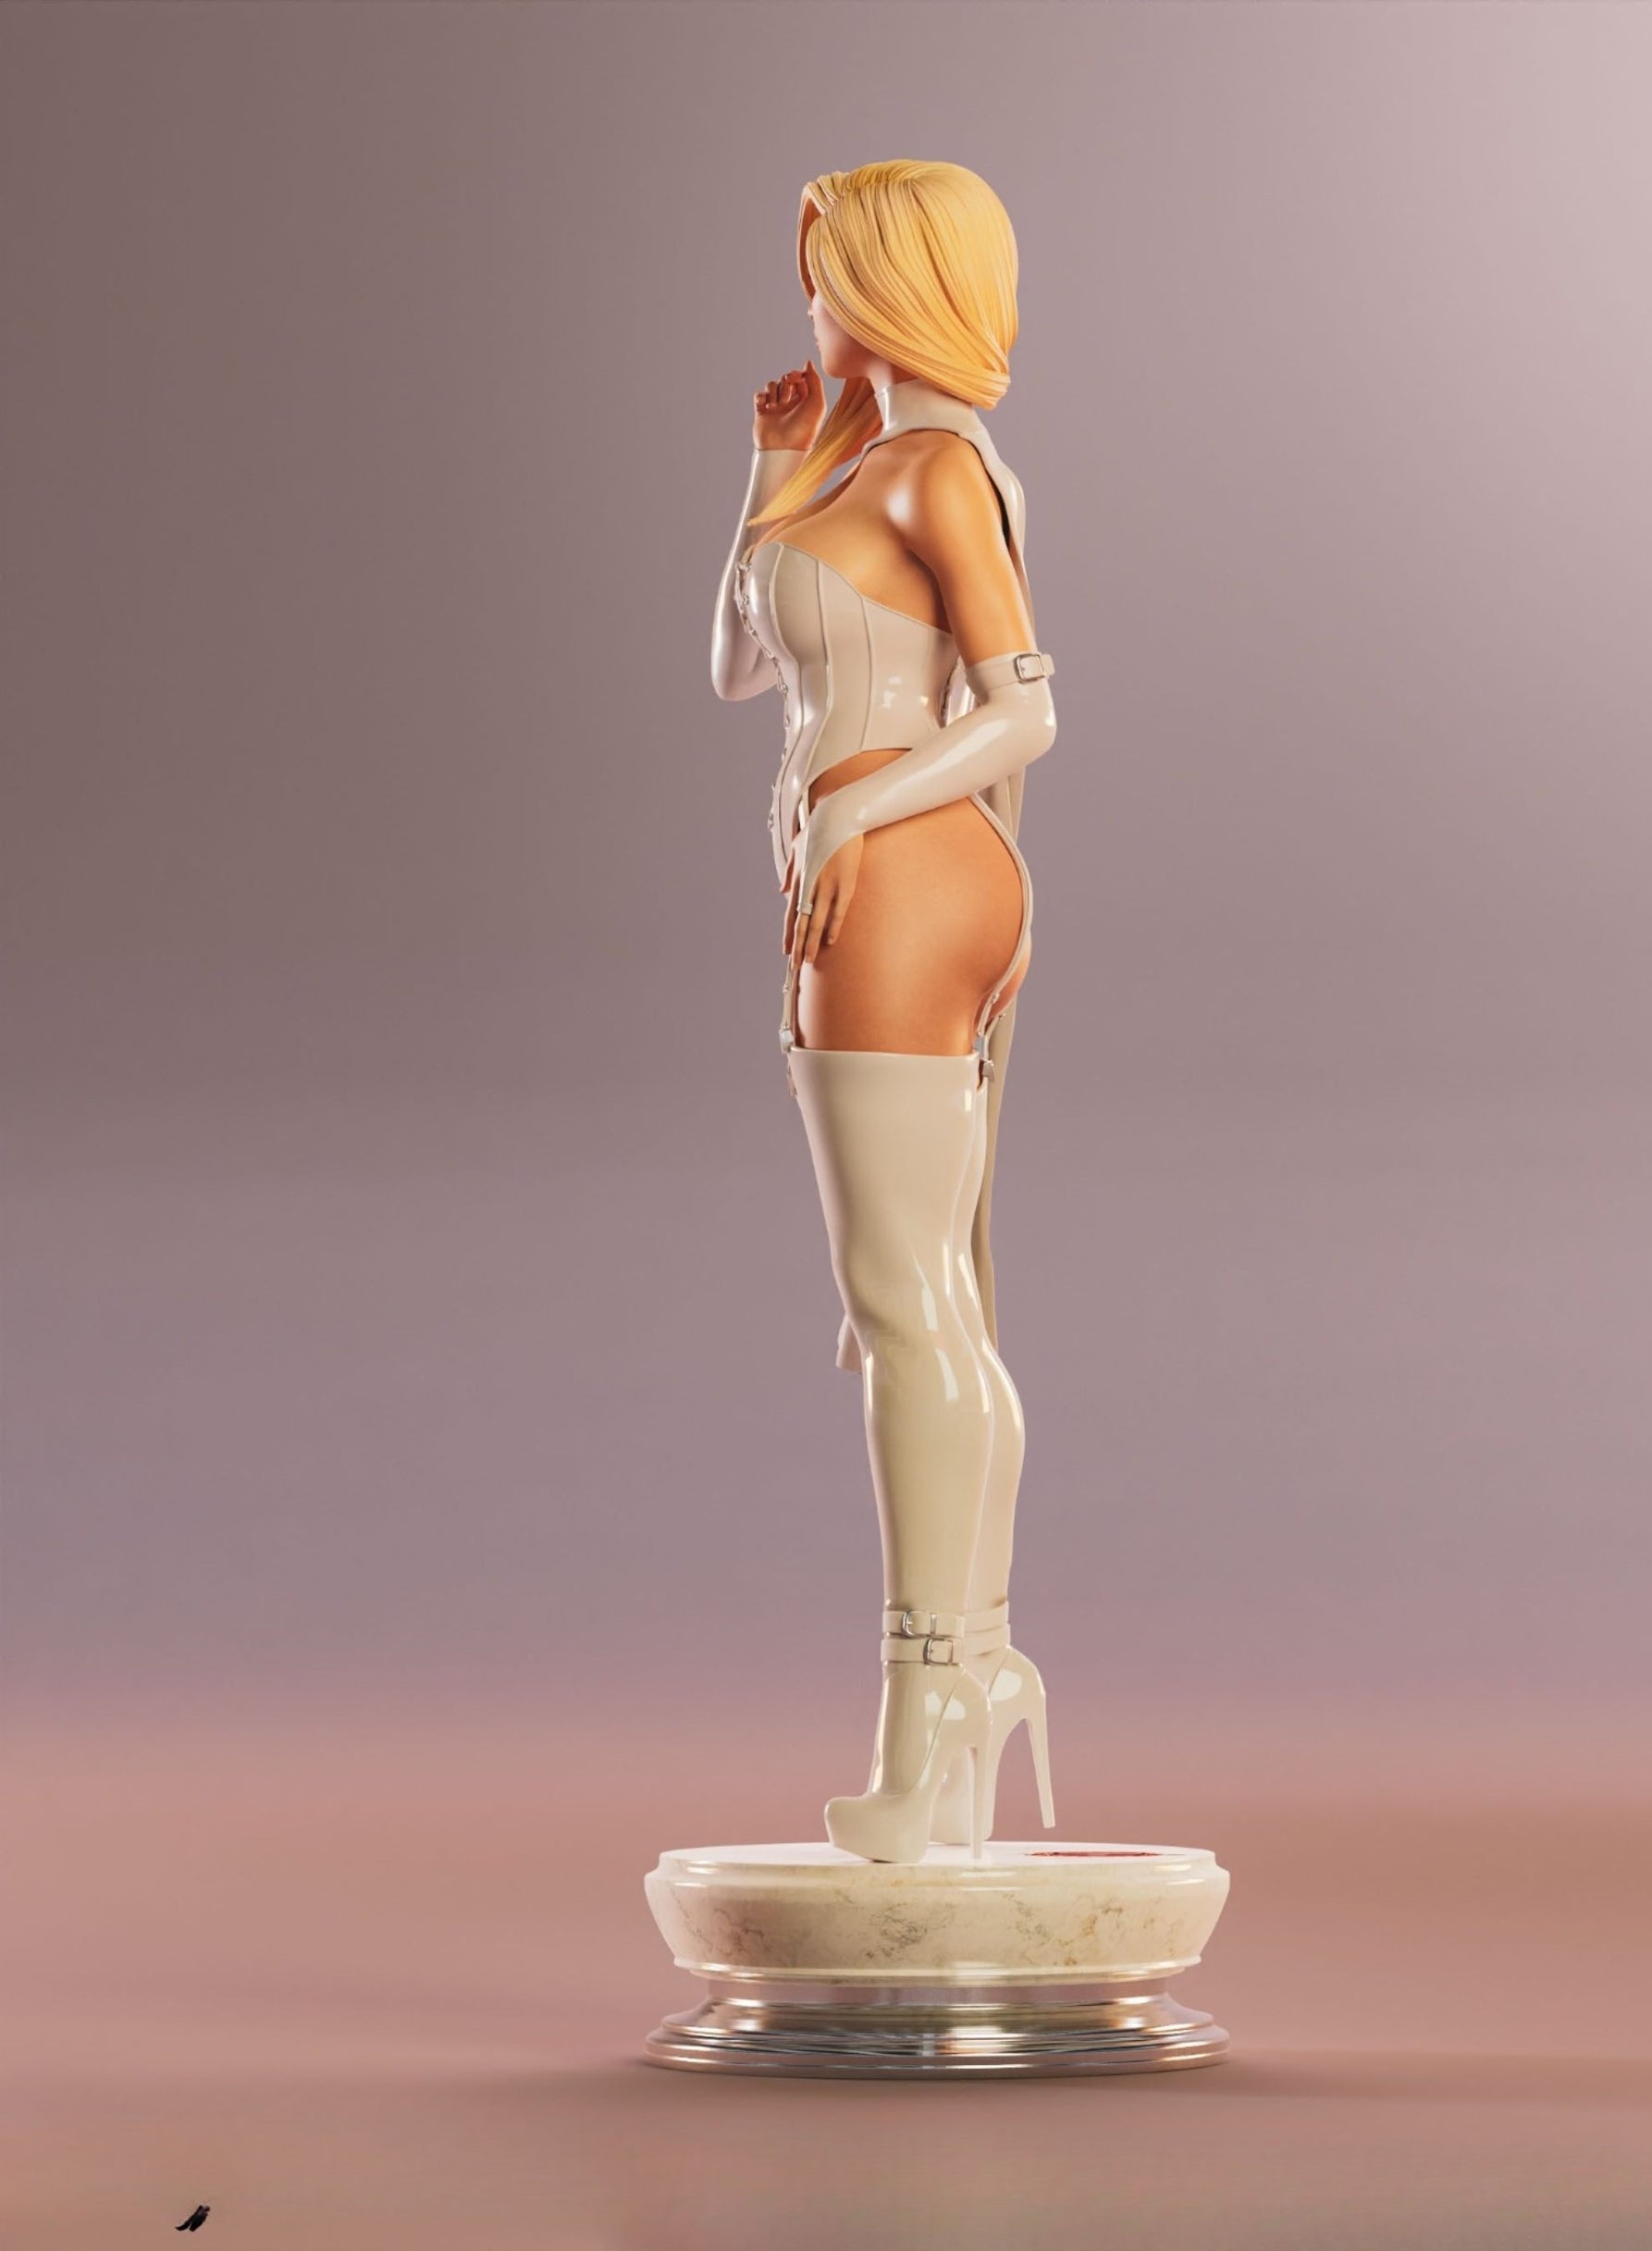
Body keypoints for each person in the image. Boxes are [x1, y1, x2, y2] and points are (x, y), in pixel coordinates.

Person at [709, 162, 1059, 1865]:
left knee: (901, 1304)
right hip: (892, 878)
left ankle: (931, 1725)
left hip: (901, 883)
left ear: (893, 288)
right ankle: (968, 1683)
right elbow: (731, 667)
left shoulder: (936, 472)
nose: (810, 303)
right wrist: (768, 474)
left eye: (829, 272)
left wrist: (857, 804)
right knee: (926, 1301)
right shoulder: (862, 464)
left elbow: (1027, 706)